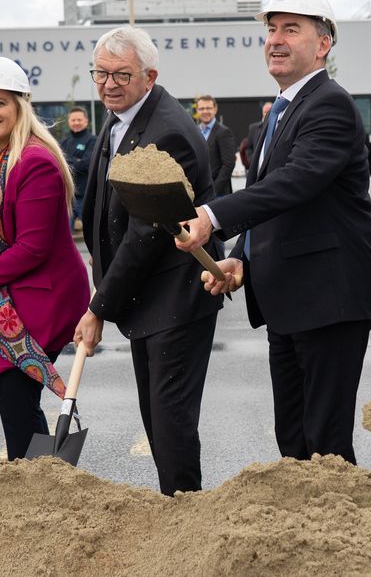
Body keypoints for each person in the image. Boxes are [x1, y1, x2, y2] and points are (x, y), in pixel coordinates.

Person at [177, 0, 371, 466]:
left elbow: (295, 183)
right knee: (293, 437)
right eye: (271, 30)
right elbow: (280, 204)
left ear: (324, 44)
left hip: (329, 301)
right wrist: (240, 258)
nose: (276, 39)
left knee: (325, 444)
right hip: (292, 300)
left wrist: (212, 215)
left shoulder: (328, 103)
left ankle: (336, 537)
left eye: (292, 29)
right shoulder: (284, 109)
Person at [74, 26, 224, 495]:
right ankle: (175, 510)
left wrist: (99, 307)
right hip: (147, 298)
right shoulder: (121, 116)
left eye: (121, 74)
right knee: (158, 419)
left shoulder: (167, 134)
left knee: (170, 420)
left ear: (150, 75)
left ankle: (184, 512)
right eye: (100, 73)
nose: (108, 83)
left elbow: (146, 236)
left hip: (175, 296)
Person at [0, 57, 90, 460]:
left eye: (0, 103)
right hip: (14, 293)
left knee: (16, 395)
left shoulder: (34, 161)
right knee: (17, 397)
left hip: (46, 295)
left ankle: (38, 484)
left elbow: (33, 247)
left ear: (20, 106)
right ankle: (42, 478)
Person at [59, 106, 96, 231]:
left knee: (91, 234)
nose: (76, 123)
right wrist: (76, 160)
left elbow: (87, 163)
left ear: (86, 121)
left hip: (86, 196)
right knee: (65, 234)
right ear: (69, 122)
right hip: (67, 196)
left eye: (79, 120)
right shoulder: (63, 142)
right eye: (73, 120)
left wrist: (68, 161)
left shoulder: (92, 140)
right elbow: (58, 164)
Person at [196, 95, 237, 196]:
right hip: (199, 192)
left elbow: (228, 164)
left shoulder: (224, 132)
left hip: (218, 194)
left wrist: (214, 190)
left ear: (215, 109)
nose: (205, 111)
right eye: (201, 108)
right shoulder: (195, 131)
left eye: (208, 108)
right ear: (197, 111)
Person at [238, 101, 270, 170]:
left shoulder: (279, 127)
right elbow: (249, 148)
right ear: (262, 113)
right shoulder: (253, 128)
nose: (267, 114)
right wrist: (252, 161)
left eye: (269, 111)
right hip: (255, 167)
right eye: (265, 112)